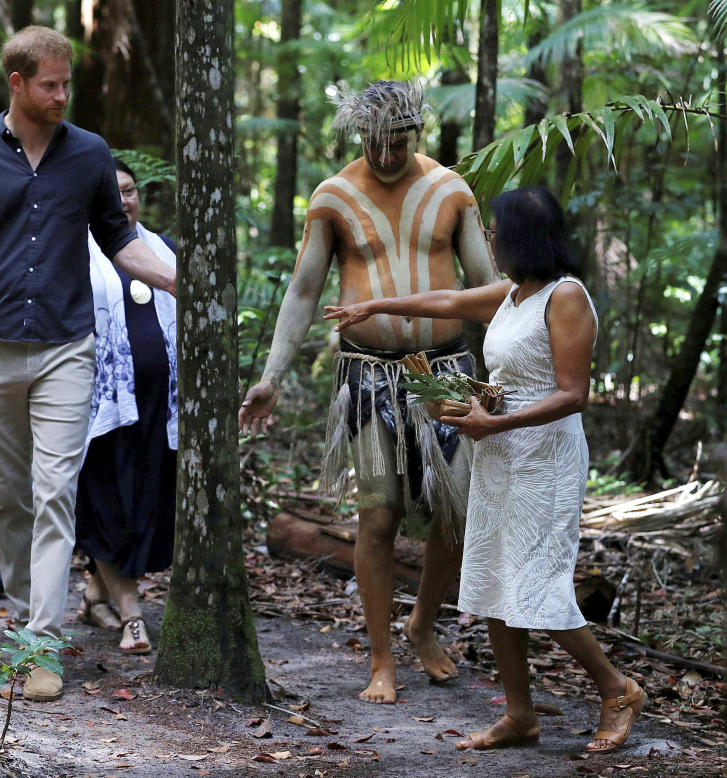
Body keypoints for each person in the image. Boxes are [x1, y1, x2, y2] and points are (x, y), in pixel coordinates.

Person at [324, 185, 646, 753]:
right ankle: (520, 715)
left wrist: (495, 423)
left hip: (543, 459)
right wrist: (375, 307)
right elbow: (448, 302)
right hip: (498, 453)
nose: (490, 241)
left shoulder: (565, 297)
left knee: (539, 587)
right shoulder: (515, 293)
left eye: (496, 231)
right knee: (496, 585)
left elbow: (574, 394)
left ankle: (617, 689)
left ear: (521, 236)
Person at [0, 26, 177, 702]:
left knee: (56, 491)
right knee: (10, 501)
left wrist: (181, 279)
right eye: (49, 85)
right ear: (17, 83)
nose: (61, 95)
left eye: (67, 84)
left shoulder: (89, 153)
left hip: (67, 346)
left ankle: (39, 645)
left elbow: (118, 237)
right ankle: (36, 615)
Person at [239, 81, 497, 704]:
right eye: (374, 143)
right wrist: (271, 376)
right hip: (366, 376)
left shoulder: (451, 191)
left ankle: (423, 624)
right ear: (360, 136)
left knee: (455, 516)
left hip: (447, 370)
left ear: (418, 133)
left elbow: (487, 285)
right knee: (376, 516)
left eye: (397, 142)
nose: (385, 155)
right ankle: (382, 658)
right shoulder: (333, 196)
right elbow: (304, 292)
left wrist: (508, 375)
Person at [75, 158, 177, 655]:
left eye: (131, 191)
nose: (124, 202)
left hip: (160, 407)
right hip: (99, 409)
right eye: (112, 194)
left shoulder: (163, 251)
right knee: (107, 506)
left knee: (142, 506)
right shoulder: (77, 253)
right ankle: (132, 617)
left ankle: (96, 595)